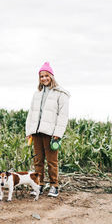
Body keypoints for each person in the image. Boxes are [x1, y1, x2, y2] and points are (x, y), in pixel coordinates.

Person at [26, 62, 70, 197]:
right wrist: (29, 131)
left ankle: (54, 186)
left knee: (52, 161)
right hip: (37, 132)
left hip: (51, 133)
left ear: (51, 76)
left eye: (46, 75)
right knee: (38, 160)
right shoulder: (37, 94)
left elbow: (63, 116)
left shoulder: (61, 94)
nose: (44, 78)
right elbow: (31, 113)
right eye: (41, 76)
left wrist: (58, 133)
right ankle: (39, 184)